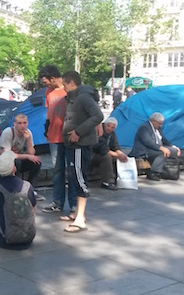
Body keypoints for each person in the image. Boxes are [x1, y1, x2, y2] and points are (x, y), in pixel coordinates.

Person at [60, 70, 103, 233]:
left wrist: (78, 132)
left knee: (79, 179)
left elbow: (98, 115)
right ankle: (78, 213)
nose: (63, 88)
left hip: (79, 144)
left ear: (72, 83)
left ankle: (80, 219)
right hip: (73, 144)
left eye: (64, 84)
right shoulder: (75, 98)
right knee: (76, 177)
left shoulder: (83, 97)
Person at [39, 65, 71, 214]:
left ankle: (73, 205)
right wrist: (47, 125)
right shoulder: (48, 91)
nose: (44, 85)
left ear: (53, 79)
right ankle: (57, 202)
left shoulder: (68, 88)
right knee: (57, 170)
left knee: (71, 170)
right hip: (54, 135)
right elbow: (49, 110)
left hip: (69, 135)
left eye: (45, 82)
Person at [0, 113, 44, 201]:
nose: (22, 126)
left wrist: (29, 141)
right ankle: (16, 189)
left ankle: (31, 189)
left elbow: (31, 153)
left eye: (24, 123)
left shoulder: (28, 133)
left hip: (20, 158)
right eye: (19, 123)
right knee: (17, 162)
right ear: (14, 124)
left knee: (36, 161)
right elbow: (7, 155)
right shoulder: (8, 132)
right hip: (6, 161)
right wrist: (27, 156)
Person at [129, 112, 181, 181]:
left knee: (174, 151)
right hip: (145, 150)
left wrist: (173, 146)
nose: (160, 125)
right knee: (162, 153)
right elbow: (148, 142)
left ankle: (167, 171)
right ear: (153, 121)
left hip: (155, 148)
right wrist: (161, 148)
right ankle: (154, 172)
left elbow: (163, 139)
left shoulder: (158, 128)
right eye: (159, 123)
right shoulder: (144, 127)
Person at [91, 117, 128, 190]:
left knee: (117, 157)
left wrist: (121, 154)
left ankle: (118, 178)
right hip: (92, 155)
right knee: (107, 157)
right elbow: (102, 148)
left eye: (112, 127)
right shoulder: (99, 131)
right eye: (108, 126)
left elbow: (116, 146)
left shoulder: (112, 134)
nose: (110, 128)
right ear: (105, 125)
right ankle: (107, 182)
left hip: (101, 154)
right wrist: (118, 155)